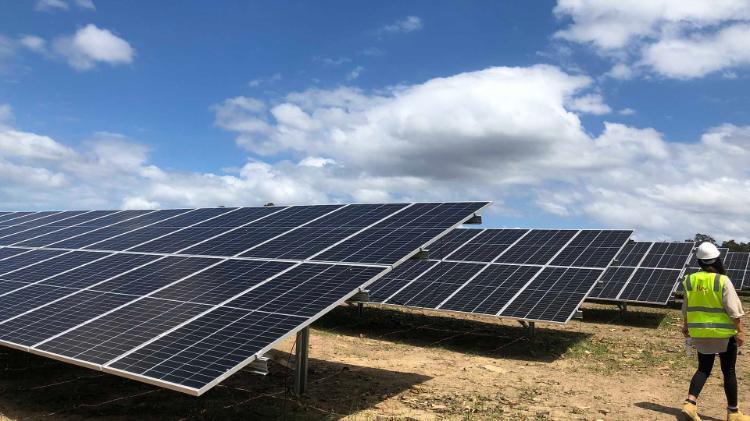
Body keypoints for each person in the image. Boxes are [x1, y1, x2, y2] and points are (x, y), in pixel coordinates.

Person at [681, 242, 748, 421]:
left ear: (699, 262)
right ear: (717, 259)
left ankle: (689, 404)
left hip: (699, 333)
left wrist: (686, 326)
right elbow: (733, 309)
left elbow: (686, 307)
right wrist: (740, 331)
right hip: (723, 335)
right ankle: (733, 413)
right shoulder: (721, 280)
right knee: (729, 371)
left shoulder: (689, 280)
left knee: (703, 368)